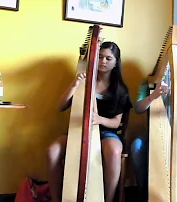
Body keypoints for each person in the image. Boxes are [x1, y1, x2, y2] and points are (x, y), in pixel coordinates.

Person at [46, 41, 133, 202]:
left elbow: (116, 122)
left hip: (107, 133)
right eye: (99, 57)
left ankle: (107, 198)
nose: (103, 61)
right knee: (52, 151)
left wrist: (99, 119)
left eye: (108, 58)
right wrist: (74, 84)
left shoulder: (120, 89)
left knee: (114, 152)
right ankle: (57, 199)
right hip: (78, 131)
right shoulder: (83, 81)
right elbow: (61, 106)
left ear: (116, 63)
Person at [130, 46, 177, 201]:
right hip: (153, 130)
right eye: (170, 66)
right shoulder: (148, 82)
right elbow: (138, 108)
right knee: (136, 147)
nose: (173, 70)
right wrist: (153, 95)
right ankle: (144, 194)